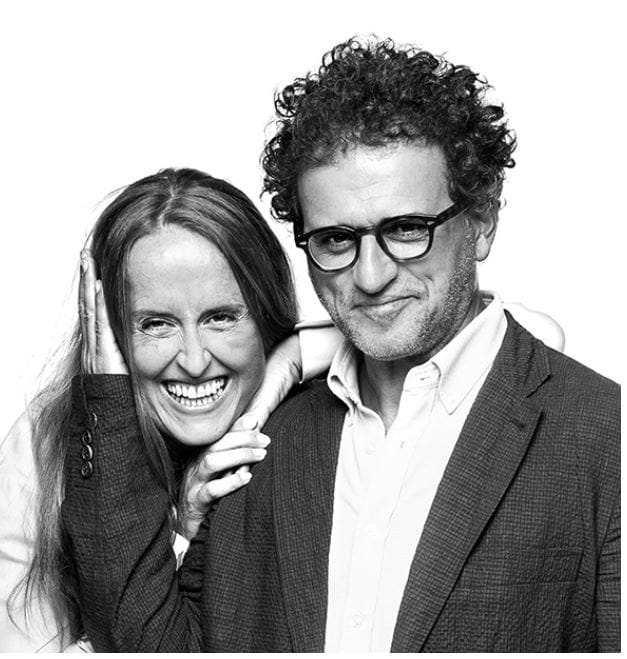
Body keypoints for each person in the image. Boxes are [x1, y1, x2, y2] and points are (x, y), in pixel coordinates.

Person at [62, 37, 618, 652]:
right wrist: (109, 400)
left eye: (406, 230)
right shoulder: (257, 447)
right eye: (335, 240)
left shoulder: (601, 437)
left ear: (482, 221)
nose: (371, 276)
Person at [0, 167, 343, 651]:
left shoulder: (315, 425)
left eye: (221, 318)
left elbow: (416, 328)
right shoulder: (47, 443)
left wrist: (293, 356)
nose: (195, 362)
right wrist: (181, 533)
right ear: (110, 332)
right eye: (156, 324)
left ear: (266, 315)